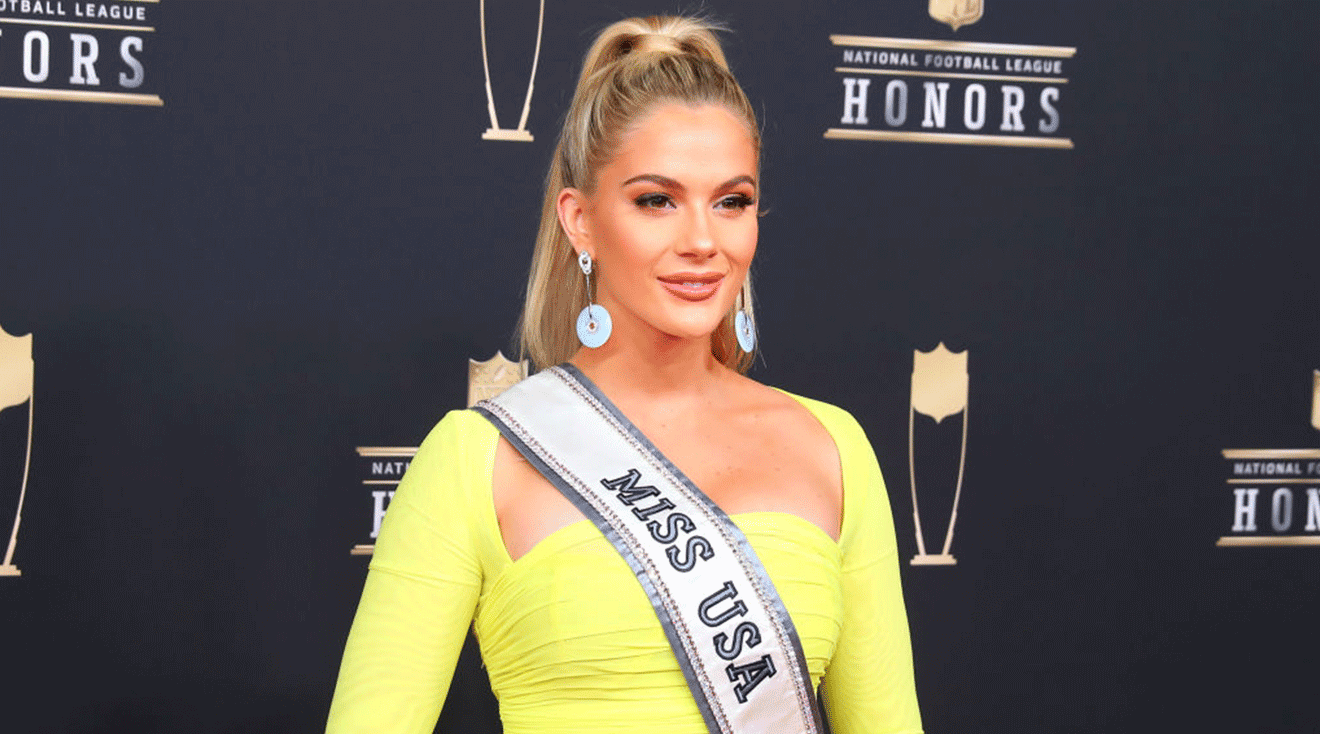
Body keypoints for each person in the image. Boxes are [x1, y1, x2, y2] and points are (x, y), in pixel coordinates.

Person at [326, 15, 922, 734]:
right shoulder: (477, 458)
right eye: (656, 200)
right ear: (580, 221)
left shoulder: (834, 449)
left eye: (730, 201)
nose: (703, 241)